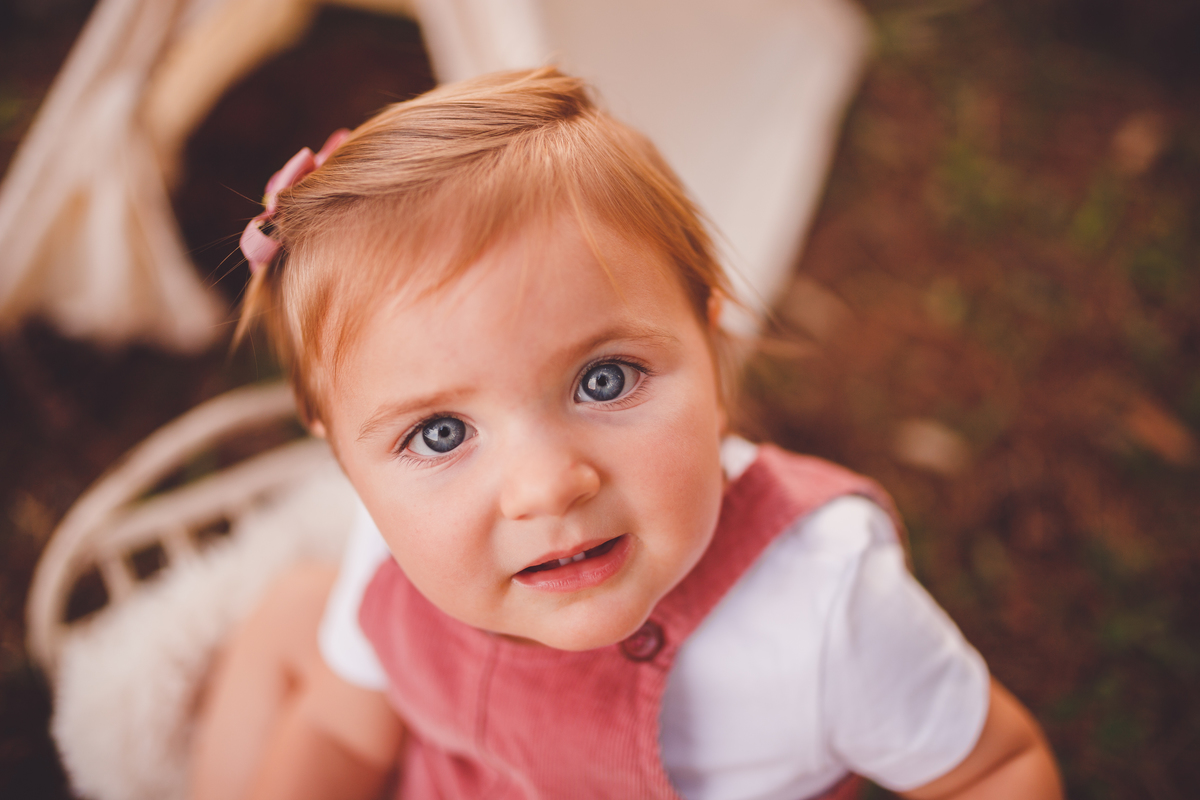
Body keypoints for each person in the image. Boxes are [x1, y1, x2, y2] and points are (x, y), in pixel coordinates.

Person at [190, 67, 1062, 800]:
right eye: (442, 433)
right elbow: (345, 729)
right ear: (343, 453)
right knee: (291, 617)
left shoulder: (823, 607)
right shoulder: (390, 550)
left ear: (714, 348)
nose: (546, 485)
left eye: (603, 380)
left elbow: (999, 768)